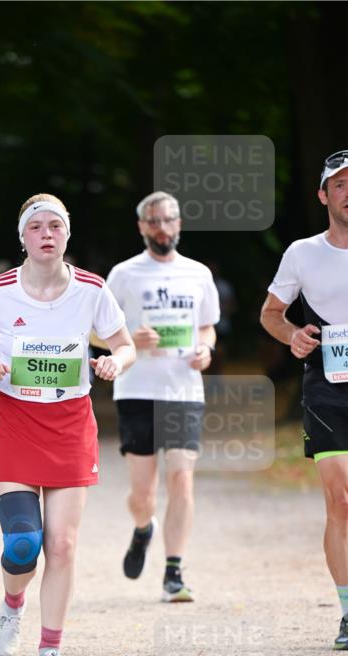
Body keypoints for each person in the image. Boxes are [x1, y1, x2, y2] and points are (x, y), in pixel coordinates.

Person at [0, 194, 135, 656]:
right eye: (37, 227)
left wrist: (115, 361)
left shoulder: (92, 290)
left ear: (67, 234)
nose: (47, 234)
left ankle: (50, 650)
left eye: (56, 226)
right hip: (15, 421)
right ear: (23, 238)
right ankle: (12, 606)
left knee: (62, 545)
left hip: (70, 424)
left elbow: (124, 343)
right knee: (23, 543)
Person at [107, 191, 220, 603]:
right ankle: (143, 528)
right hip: (136, 388)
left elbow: (207, 327)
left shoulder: (198, 273)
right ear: (141, 227)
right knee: (142, 494)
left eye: (168, 220)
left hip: (183, 389)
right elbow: (94, 330)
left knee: (181, 477)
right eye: (153, 221)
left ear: (179, 224)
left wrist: (206, 349)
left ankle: (174, 570)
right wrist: (127, 340)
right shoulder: (123, 275)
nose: (162, 228)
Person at [261, 150, 348, 651]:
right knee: (340, 502)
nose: (347, 190)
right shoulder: (302, 252)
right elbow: (271, 313)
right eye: (339, 184)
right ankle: (346, 610)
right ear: (323, 194)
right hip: (326, 387)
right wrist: (292, 336)